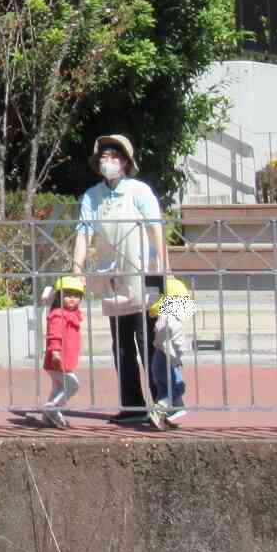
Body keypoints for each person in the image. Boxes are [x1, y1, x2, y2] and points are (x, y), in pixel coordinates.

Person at [71, 133, 165, 425]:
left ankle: (165, 402)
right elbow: (84, 233)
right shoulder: (92, 196)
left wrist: (162, 267)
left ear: (125, 162)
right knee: (121, 344)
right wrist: (77, 271)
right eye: (103, 157)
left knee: (153, 340)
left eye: (113, 156)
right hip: (112, 277)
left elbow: (155, 229)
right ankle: (132, 407)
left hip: (145, 276)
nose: (106, 162)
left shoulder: (139, 191)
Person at [38, 275, 85, 428]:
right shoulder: (58, 314)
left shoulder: (72, 314)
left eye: (77, 296)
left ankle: (48, 416)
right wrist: (55, 352)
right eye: (68, 295)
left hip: (63, 359)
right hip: (57, 360)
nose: (73, 299)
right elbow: (54, 335)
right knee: (73, 385)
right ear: (60, 296)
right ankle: (52, 409)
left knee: (58, 388)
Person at [148, 275, 194, 429]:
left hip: (162, 357)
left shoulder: (167, 317)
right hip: (166, 358)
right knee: (177, 387)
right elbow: (172, 339)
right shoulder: (170, 319)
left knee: (165, 388)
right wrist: (176, 356)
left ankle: (162, 419)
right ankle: (160, 410)